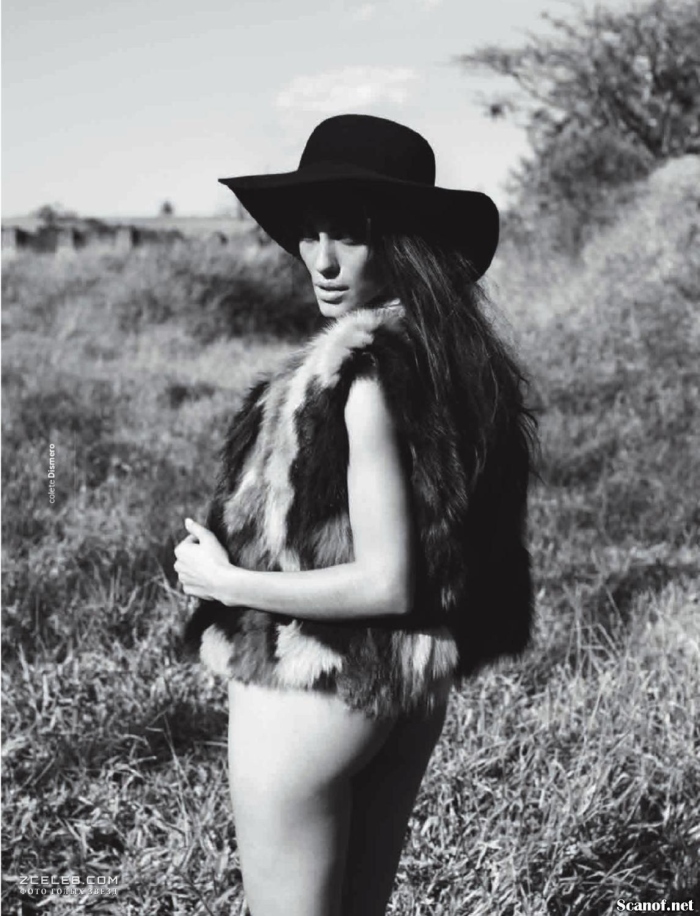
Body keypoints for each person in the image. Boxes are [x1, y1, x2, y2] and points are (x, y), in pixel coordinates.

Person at [173, 113, 537, 916]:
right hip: (409, 686)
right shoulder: (452, 362)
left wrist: (226, 581)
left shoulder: (363, 377)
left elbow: (385, 581)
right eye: (310, 233)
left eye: (351, 234)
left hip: (315, 686)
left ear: (402, 239)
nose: (323, 260)